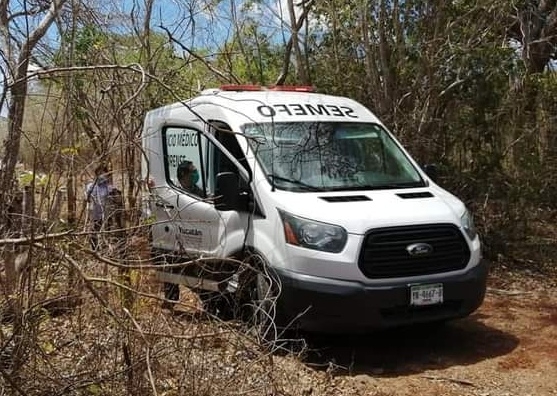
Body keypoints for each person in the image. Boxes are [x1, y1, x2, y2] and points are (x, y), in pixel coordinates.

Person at [162, 160, 203, 310]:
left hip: (194, 238)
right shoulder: (172, 191)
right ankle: (170, 301)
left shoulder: (198, 191)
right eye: (193, 172)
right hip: (174, 237)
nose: (195, 174)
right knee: (171, 268)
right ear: (183, 175)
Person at [85, 164, 118, 250]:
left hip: (107, 215)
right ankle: (95, 250)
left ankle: (107, 249)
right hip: (95, 215)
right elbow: (87, 199)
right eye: (100, 173)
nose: (102, 175)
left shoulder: (109, 187)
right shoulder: (91, 186)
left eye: (104, 173)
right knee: (94, 232)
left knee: (108, 233)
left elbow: (115, 201)